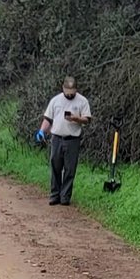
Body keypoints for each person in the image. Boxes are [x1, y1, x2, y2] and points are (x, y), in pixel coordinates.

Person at [36, 77, 92, 206]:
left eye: (72, 91)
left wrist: (76, 119)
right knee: (55, 165)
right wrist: (42, 131)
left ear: (76, 89)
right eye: (67, 91)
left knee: (69, 169)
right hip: (57, 138)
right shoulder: (55, 101)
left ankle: (65, 196)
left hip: (72, 139)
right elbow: (48, 119)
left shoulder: (82, 101)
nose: (70, 94)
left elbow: (87, 119)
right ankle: (54, 195)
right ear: (63, 88)